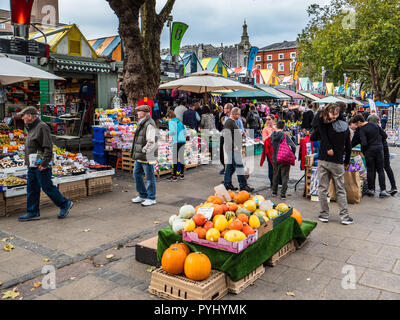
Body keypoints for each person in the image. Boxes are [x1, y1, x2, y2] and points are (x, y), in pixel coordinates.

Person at [17, 107, 73, 222]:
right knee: (32, 188)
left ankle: (65, 204)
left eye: (24, 115)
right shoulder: (31, 128)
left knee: (47, 187)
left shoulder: (42, 127)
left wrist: (44, 163)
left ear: (30, 116)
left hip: (41, 164)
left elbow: (48, 147)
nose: (22, 117)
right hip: (32, 165)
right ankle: (33, 212)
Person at [311, 103, 353, 225]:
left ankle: (324, 215)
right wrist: (346, 161)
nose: (334, 117)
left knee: (323, 188)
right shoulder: (345, 129)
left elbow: (314, 137)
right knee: (340, 189)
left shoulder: (324, 126)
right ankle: (344, 217)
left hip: (323, 160)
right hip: (337, 162)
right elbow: (349, 147)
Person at [350, 114, 391, 198]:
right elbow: (385, 135)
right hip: (379, 149)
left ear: (359, 122)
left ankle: (371, 189)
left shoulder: (362, 129)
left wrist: (363, 150)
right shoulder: (375, 125)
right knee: (380, 170)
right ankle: (383, 190)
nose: (357, 126)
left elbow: (364, 143)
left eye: (357, 124)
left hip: (369, 151)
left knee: (370, 170)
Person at [131, 105, 158, 206]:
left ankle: (151, 198)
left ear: (145, 112)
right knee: (136, 174)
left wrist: (144, 150)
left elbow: (151, 140)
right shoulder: (142, 122)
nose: (137, 113)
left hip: (147, 155)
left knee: (149, 177)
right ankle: (142, 194)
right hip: (141, 156)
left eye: (139, 111)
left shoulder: (149, 123)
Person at [223, 107, 254, 192]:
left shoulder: (232, 122)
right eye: (239, 114)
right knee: (239, 166)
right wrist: (233, 146)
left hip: (233, 148)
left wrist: (241, 134)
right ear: (234, 114)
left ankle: (227, 184)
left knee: (230, 167)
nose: (240, 116)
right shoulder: (229, 122)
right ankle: (243, 185)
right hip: (233, 148)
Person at [367, 114, 397, 195]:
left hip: (379, 149)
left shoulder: (372, 129)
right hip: (384, 148)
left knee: (376, 169)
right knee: (386, 167)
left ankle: (373, 188)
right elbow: (384, 137)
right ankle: (393, 187)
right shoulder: (379, 128)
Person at [270, 120, 296, 200]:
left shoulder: (272, 135)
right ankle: (283, 194)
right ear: (283, 127)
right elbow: (293, 146)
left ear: (276, 126)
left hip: (275, 158)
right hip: (284, 158)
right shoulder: (285, 136)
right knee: (285, 176)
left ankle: (274, 191)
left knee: (275, 175)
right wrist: (293, 154)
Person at [166, 110, 187, 182]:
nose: (167, 119)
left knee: (175, 158)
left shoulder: (171, 122)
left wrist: (167, 133)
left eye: (167, 118)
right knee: (181, 157)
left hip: (176, 141)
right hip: (182, 141)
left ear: (169, 117)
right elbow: (185, 132)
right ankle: (181, 174)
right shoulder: (180, 122)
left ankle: (174, 176)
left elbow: (172, 132)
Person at [261, 115, 278, 187]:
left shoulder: (276, 128)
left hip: (276, 149)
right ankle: (272, 182)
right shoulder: (265, 129)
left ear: (273, 120)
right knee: (271, 166)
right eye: (266, 119)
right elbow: (264, 140)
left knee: (277, 166)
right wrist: (270, 135)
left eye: (269, 119)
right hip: (269, 150)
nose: (267, 121)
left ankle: (277, 181)